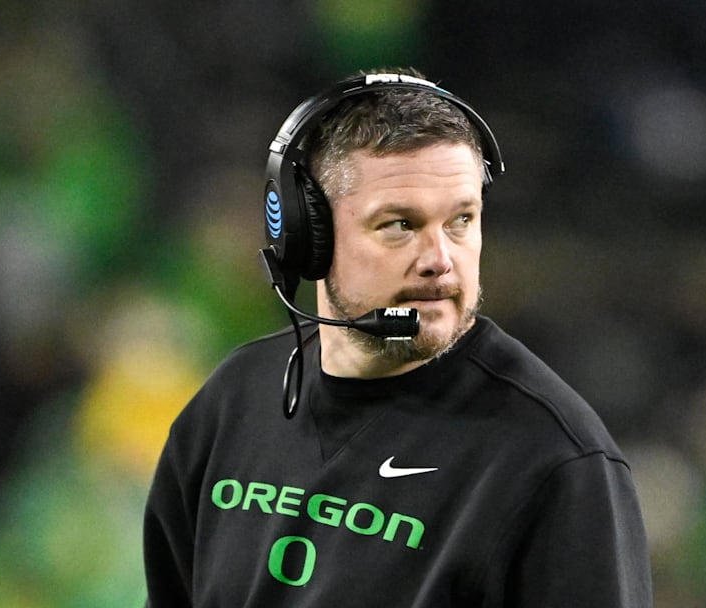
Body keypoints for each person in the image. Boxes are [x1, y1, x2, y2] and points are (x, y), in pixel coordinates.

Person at [143, 67, 653, 607]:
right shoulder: (230, 405)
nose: (439, 260)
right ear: (307, 236)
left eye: (461, 220)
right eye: (399, 225)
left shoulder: (555, 463)